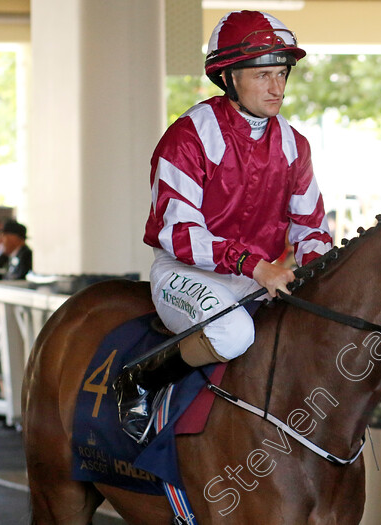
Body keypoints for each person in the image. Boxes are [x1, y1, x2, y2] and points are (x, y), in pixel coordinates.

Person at [113, 10, 332, 441]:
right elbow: (178, 232)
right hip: (184, 272)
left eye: (282, 74)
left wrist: (320, 276)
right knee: (232, 334)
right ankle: (140, 379)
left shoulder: (294, 143)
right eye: (263, 75)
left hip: (255, 276)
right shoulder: (189, 135)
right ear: (229, 76)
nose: (277, 88)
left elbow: (312, 227)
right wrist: (254, 265)